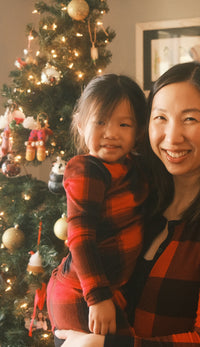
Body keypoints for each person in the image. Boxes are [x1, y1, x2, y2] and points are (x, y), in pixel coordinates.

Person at [55, 62, 200, 346]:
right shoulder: (141, 193)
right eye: (160, 118)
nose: (172, 137)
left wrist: (101, 344)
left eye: (189, 119)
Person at [47, 74, 149, 343]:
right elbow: (80, 237)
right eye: (100, 121)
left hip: (104, 289)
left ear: (138, 130)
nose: (111, 133)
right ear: (81, 124)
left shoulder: (130, 166)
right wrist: (98, 296)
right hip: (81, 293)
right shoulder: (87, 170)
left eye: (124, 124)